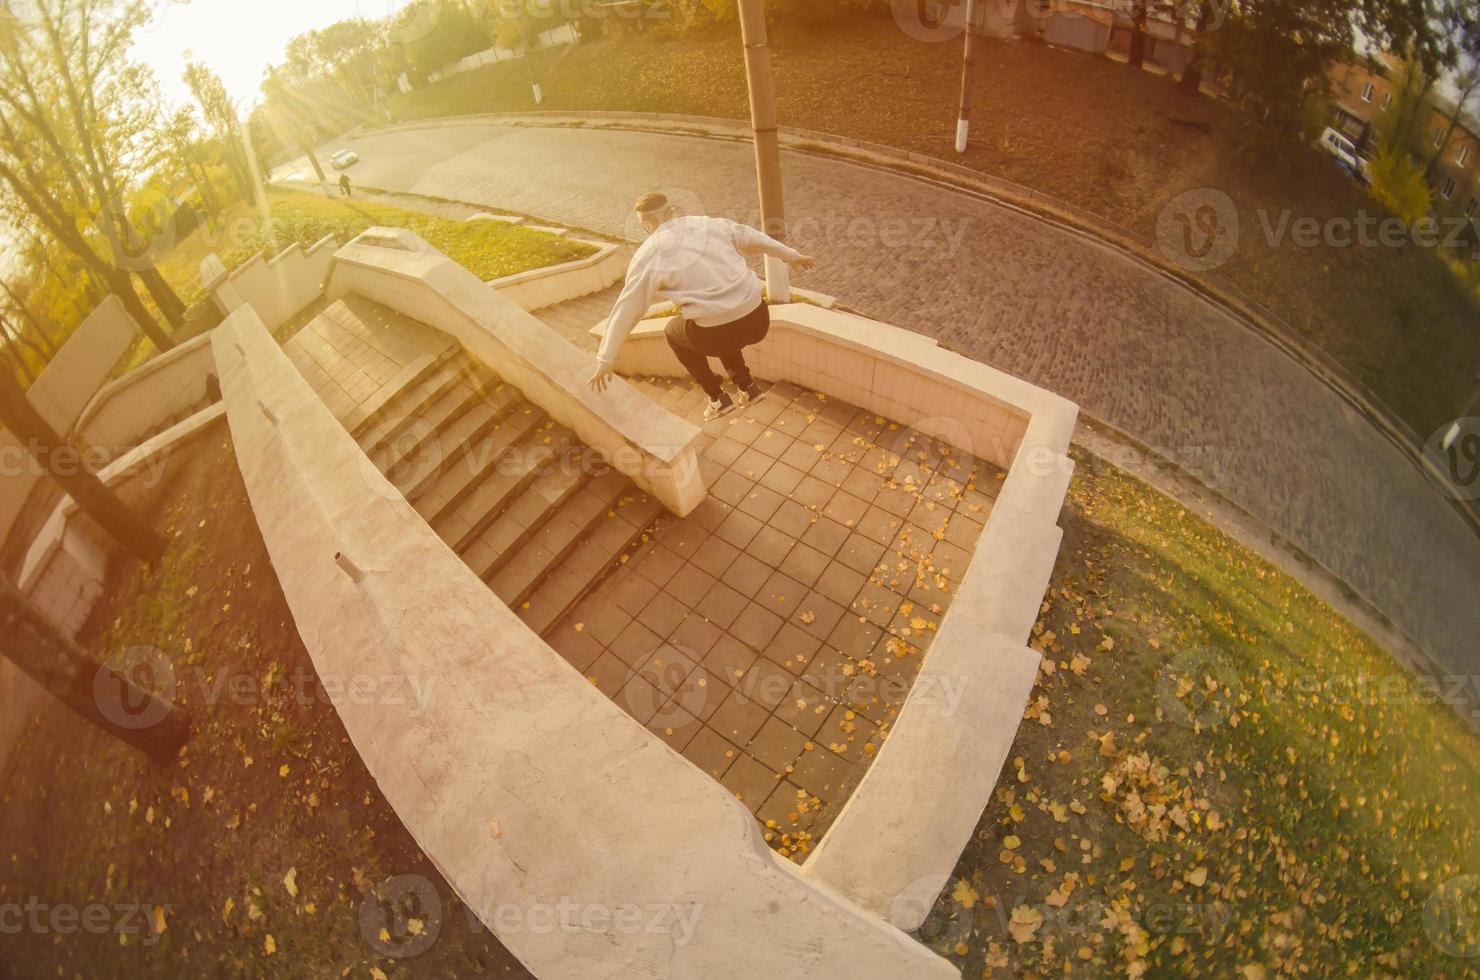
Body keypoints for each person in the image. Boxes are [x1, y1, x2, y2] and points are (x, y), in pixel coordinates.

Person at [587, 192, 816, 421]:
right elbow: (753, 237)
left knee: (674, 331)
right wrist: (792, 256)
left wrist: (605, 360)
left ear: (645, 224)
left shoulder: (649, 253)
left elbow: (628, 307)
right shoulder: (708, 224)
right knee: (717, 318)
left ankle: (717, 398)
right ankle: (747, 387)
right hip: (758, 318)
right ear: (672, 211)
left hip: (715, 335)